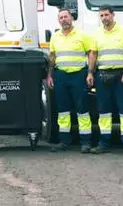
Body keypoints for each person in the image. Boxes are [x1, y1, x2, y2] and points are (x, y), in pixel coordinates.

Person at [46, 8, 94, 153]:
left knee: (82, 110)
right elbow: (52, 57)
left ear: (71, 18)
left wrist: (90, 73)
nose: (63, 20)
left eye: (65, 17)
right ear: (58, 21)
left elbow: (91, 54)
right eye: (61, 18)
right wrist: (50, 75)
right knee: (63, 111)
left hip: (79, 75)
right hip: (61, 76)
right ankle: (64, 141)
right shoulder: (55, 37)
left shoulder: (83, 35)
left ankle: (85, 142)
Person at [90, 6, 123, 156]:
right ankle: (104, 143)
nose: (104, 18)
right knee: (103, 111)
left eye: (106, 15)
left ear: (113, 15)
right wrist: (90, 73)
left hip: (120, 75)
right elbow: (93, 54)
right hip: (102, 76)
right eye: (101, 15)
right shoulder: (97, 34)